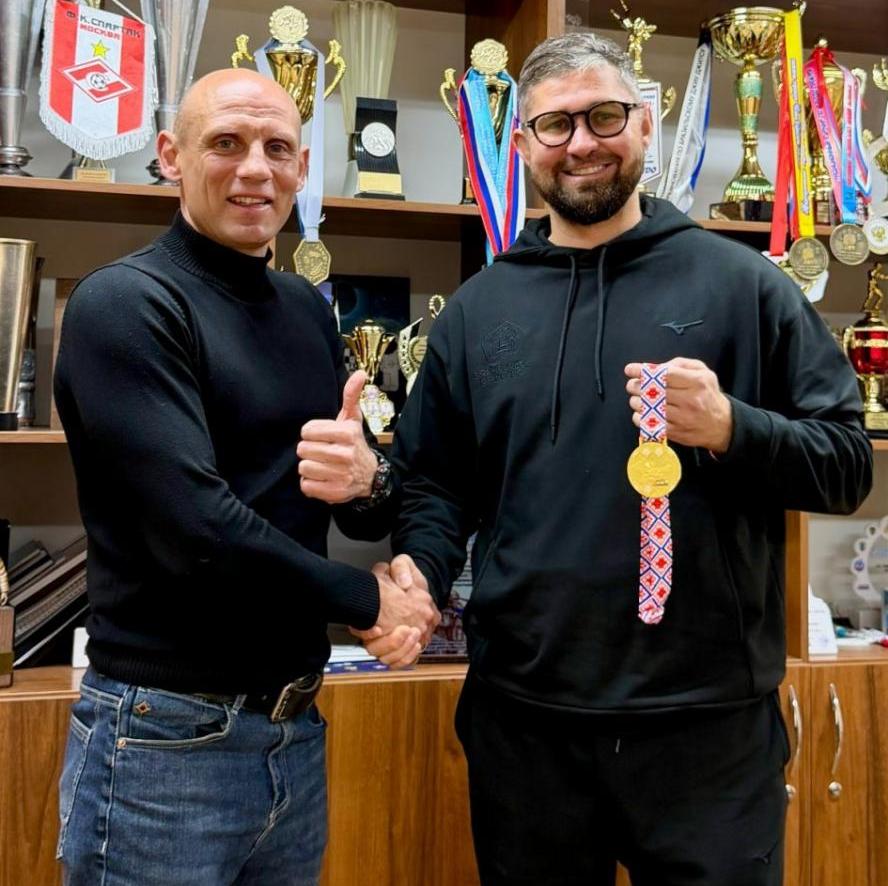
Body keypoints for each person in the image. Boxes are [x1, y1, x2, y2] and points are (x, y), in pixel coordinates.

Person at [362, 32, 874, 886]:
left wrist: (732, 427)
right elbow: (435, 486)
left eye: (604, 116)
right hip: (525, 727)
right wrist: (419, 571)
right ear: (521, 142)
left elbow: (847, 464)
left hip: (708, 732)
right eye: (555, 124)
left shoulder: (746, 286)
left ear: (644, 122)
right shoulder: (478, 311)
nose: (581, 143)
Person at [53, 68, 437, 886]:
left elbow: (362, 512)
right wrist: (371, 601)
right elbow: (196, 531)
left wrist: (368, 477)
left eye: (277, 148)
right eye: (226, 143)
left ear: (303, 169)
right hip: (163, 742)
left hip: (293, 732)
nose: (255, 169)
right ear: (171, 156)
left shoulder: (306, 309)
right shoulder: (126, 305)